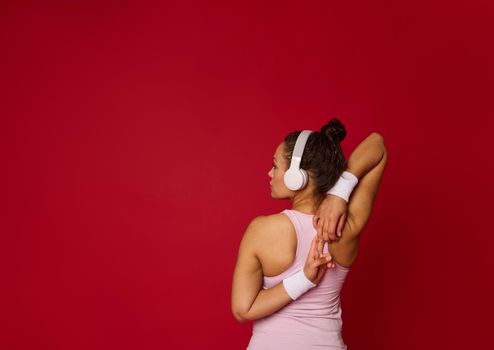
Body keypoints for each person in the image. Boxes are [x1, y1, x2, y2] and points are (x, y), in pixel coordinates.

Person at [231, 118, 388, 349]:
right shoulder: (346, 227)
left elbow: (243, 310)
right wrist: (340, 192)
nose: (269, 173)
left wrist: (303, 280)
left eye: (275, 165)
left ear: (298, 175)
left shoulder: (261, 230)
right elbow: (378, 145)